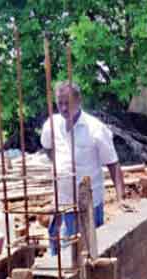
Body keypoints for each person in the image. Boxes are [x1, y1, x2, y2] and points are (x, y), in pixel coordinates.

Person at [40, 82, 132, 255]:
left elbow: (113, 163)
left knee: (87, 253)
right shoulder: (51, 125)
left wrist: (121, 199)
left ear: (79, 100)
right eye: (60, 103)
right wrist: (58, 166)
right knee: (59, 255)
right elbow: (47, 147)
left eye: (68, 102)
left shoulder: (95, 129)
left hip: (88, 204)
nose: (64, 108)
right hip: (61, 201)